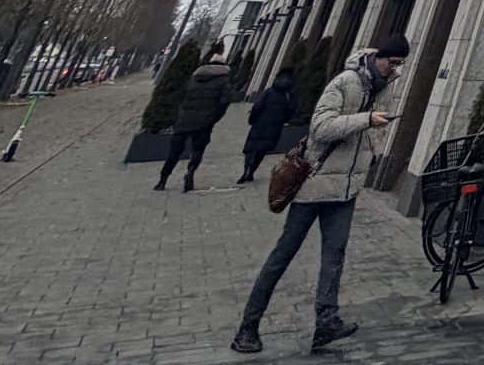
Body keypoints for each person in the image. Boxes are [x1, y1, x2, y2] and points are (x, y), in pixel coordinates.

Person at [231, 34, 408, 356]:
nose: (395, 69)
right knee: (283, 255)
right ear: (379, 58)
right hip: (314, 185)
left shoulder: (384, 88)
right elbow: (321, 128)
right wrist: (366, 119)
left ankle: (327, 321)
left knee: (334, 256)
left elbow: (368, 134)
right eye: (393, 62)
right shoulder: (345, 82)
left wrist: (374, 140)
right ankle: (248, 326)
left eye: (400, 64)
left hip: (345, 190)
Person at [157, 47, 236, 193]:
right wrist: (213, 119)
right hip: (204, 123)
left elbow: (181, 97)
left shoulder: (194, 78)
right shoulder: (223, 81)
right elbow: (224, 102)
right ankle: (190, 173)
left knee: (174, 151)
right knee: (197, 150)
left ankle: (162, 180)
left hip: (184, 121)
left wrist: (181, 114)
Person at [238, 68, 298, 185]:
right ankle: (251, 171)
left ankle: (246, 170)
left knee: (251, 147)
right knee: (262, 150)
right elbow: (290, 111)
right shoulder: (289, 95)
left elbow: (257, 106)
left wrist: (252, 119)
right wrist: (282, 120)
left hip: (260, 123)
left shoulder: (269, 91)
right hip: (275, 126)